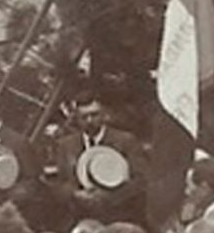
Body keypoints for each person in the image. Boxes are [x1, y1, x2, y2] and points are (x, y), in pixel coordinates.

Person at [49, 92, 148, 225]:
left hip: (119, 215)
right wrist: (74, 194)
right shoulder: (65, 146)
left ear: (104, 115)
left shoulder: (125, 141)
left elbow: (140, 180)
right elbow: (59, 182)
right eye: (84, 117)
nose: (90, 120)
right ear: (76, 118)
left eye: (94, 115)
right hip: (78, 217)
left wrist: (109, 197)